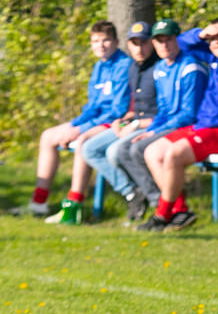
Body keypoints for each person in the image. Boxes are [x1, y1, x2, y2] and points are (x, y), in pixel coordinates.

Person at [136, 17, 218, 231]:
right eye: (212, 38)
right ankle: (180, 211)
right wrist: (202, 33)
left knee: (174, 154)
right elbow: (183, 43)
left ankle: (162, 215)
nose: (216, 41)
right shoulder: (215, 57)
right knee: (152, 151)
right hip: (205, 127)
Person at [21, 21, 131, 218]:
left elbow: (117, 110)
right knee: (48, 136)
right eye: (95, 41)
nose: (101, 45)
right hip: (96, 119)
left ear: (116, 41)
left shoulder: (124, 66)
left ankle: (74, 206)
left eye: (105, 40)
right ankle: (39, 202)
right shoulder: (99, 66)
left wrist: (80, 130)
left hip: (115, 122)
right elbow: (92, 107)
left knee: (82, 142)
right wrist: (74, 125)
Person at [58, 21, 159, 224]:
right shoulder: (132, 68)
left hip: (147, 125)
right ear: (129, 44)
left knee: (101, 148)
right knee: (82, 145)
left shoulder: (146, 67)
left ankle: (150, 200)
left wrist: (85, 128)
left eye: (144, 42)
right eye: (135, 43)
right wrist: (124, 120)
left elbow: (126, 108)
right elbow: (110, 106)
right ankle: (132, 194)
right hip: (126, 123)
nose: (139, 48)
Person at [110, 19, 208, 222]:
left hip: (189, 127)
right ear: (154, 43)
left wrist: (154, 132)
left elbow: (189, 113)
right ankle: (166, 205)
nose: (164, 45)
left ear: (177, 40)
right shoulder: (161, 68)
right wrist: (152, 129)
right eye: (159, 40)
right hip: (168, 124)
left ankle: (176, 208)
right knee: (125, 149)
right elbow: (163, 110)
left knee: (139, 149)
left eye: (169, 40)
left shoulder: (191, 67)